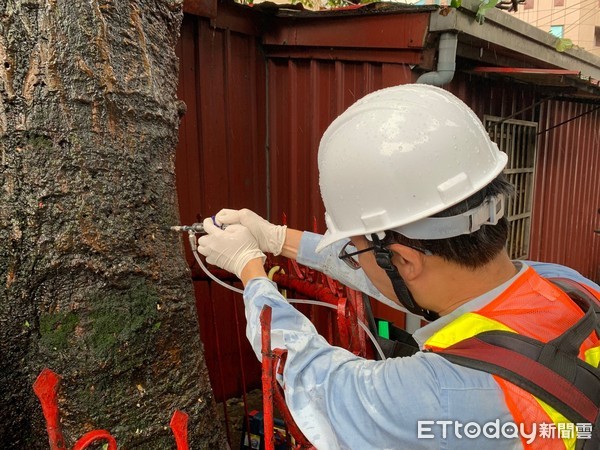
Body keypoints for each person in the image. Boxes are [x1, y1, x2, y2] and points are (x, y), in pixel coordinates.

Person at [197, 84, 600, 449]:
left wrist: (248, 270)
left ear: (404, 260)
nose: (353, 262)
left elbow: (319, 382)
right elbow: (396, 277)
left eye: (352, 250)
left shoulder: (440, 396)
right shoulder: (568, 285)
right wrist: (276, 239)